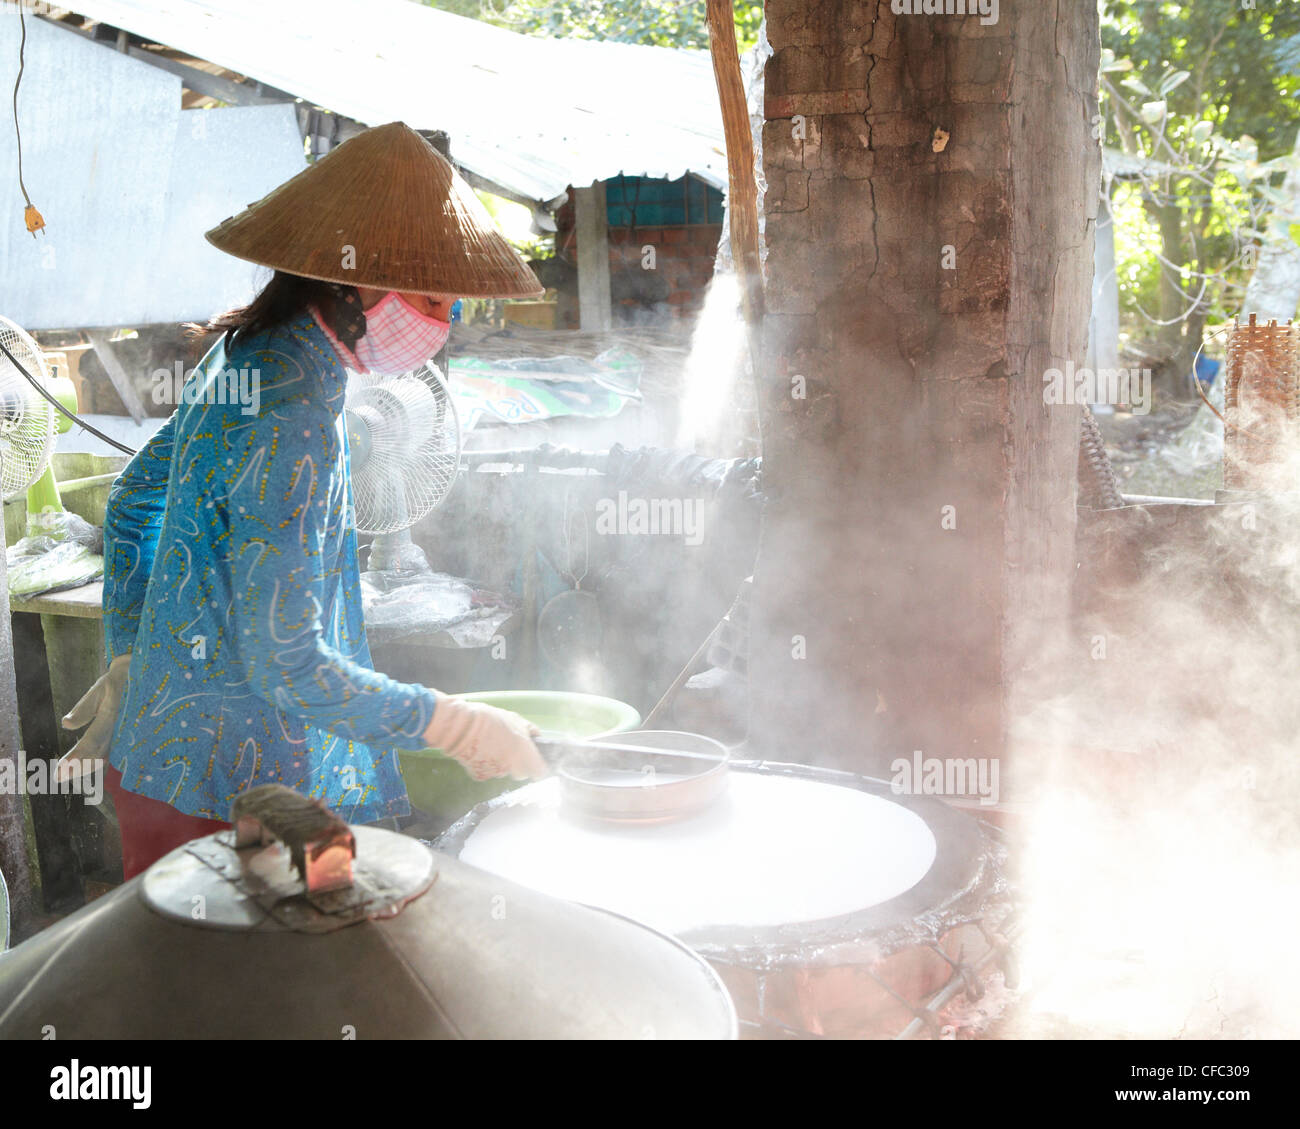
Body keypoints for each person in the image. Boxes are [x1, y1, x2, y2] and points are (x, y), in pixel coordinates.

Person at [58, 122, 547, 878]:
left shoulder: (249, 350)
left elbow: (132, 502)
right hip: (228, 798)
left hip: (167, 760)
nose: (443, 323)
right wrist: (451, 722)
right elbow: (288, 665)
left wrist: (132, 653)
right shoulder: (292, 409)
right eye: (430, 295)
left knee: (221, 983)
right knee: (255, 988)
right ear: (353, 281)